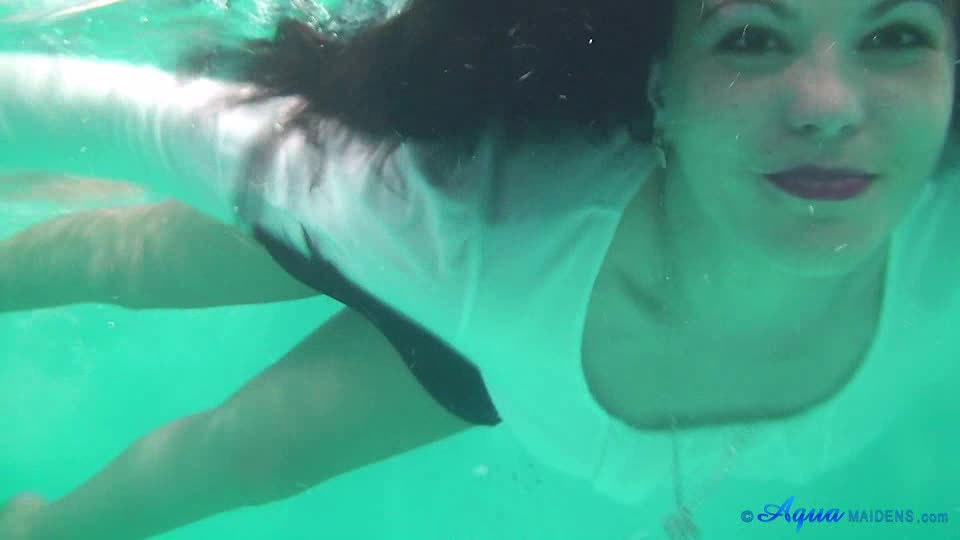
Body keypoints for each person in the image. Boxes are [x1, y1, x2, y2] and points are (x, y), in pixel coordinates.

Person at [2, 0, 960, 538]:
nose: (830, 105)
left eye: (897, 35)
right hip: (441, 223)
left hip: (495, 340)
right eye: (751, 36)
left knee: (250, 456)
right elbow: (120, 114)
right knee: (133, 260)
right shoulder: (445, 214)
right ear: (661, 89)